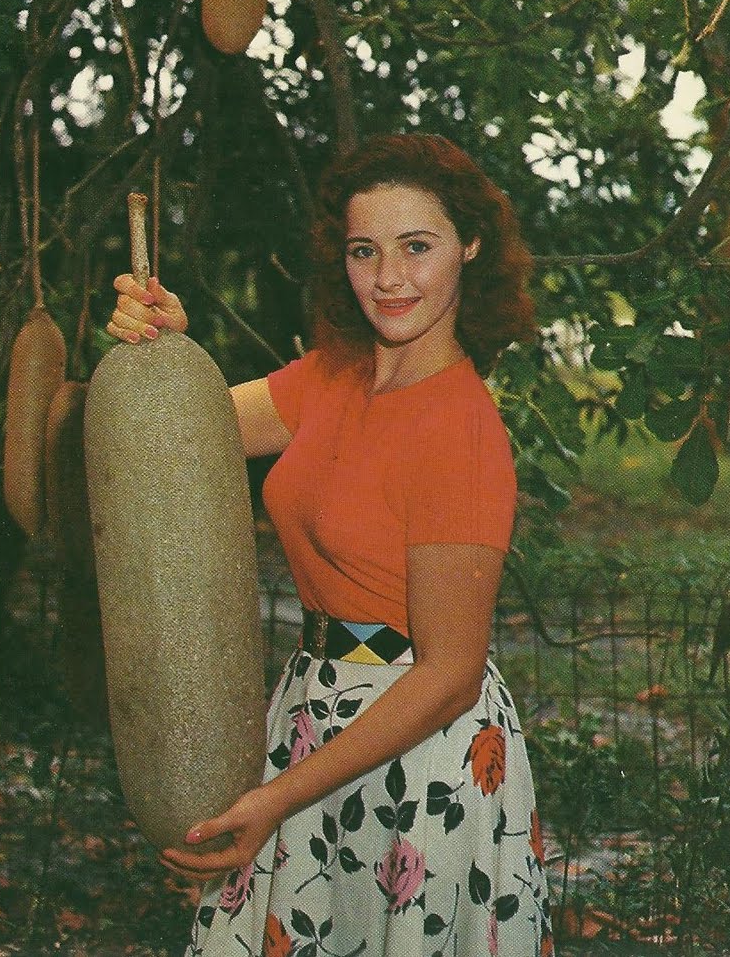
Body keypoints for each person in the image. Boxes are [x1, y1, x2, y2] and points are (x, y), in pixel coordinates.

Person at [107, 133, 553, 957]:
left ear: (471, 246)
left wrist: (275, 799)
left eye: (417, 247)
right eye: (364, 250)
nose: (388, 278)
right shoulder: (334, 374)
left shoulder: (461, 429)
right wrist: (162, 340)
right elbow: (179, 428)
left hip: (417, 757)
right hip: (310, 716)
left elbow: (450, 675)